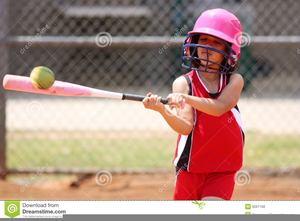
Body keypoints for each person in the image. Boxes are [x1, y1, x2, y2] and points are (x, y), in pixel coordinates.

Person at [142, 8, 244, 200]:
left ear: (229, 51)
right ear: (194, 43)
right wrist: (162, 110)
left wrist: (186, 99)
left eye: (216, 42)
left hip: (224, 166)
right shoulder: (183, 83)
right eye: (203, 39)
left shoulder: (234, 80)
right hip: (191, 166)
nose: (207, 46)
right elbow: (186, 127)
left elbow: (220, 106)